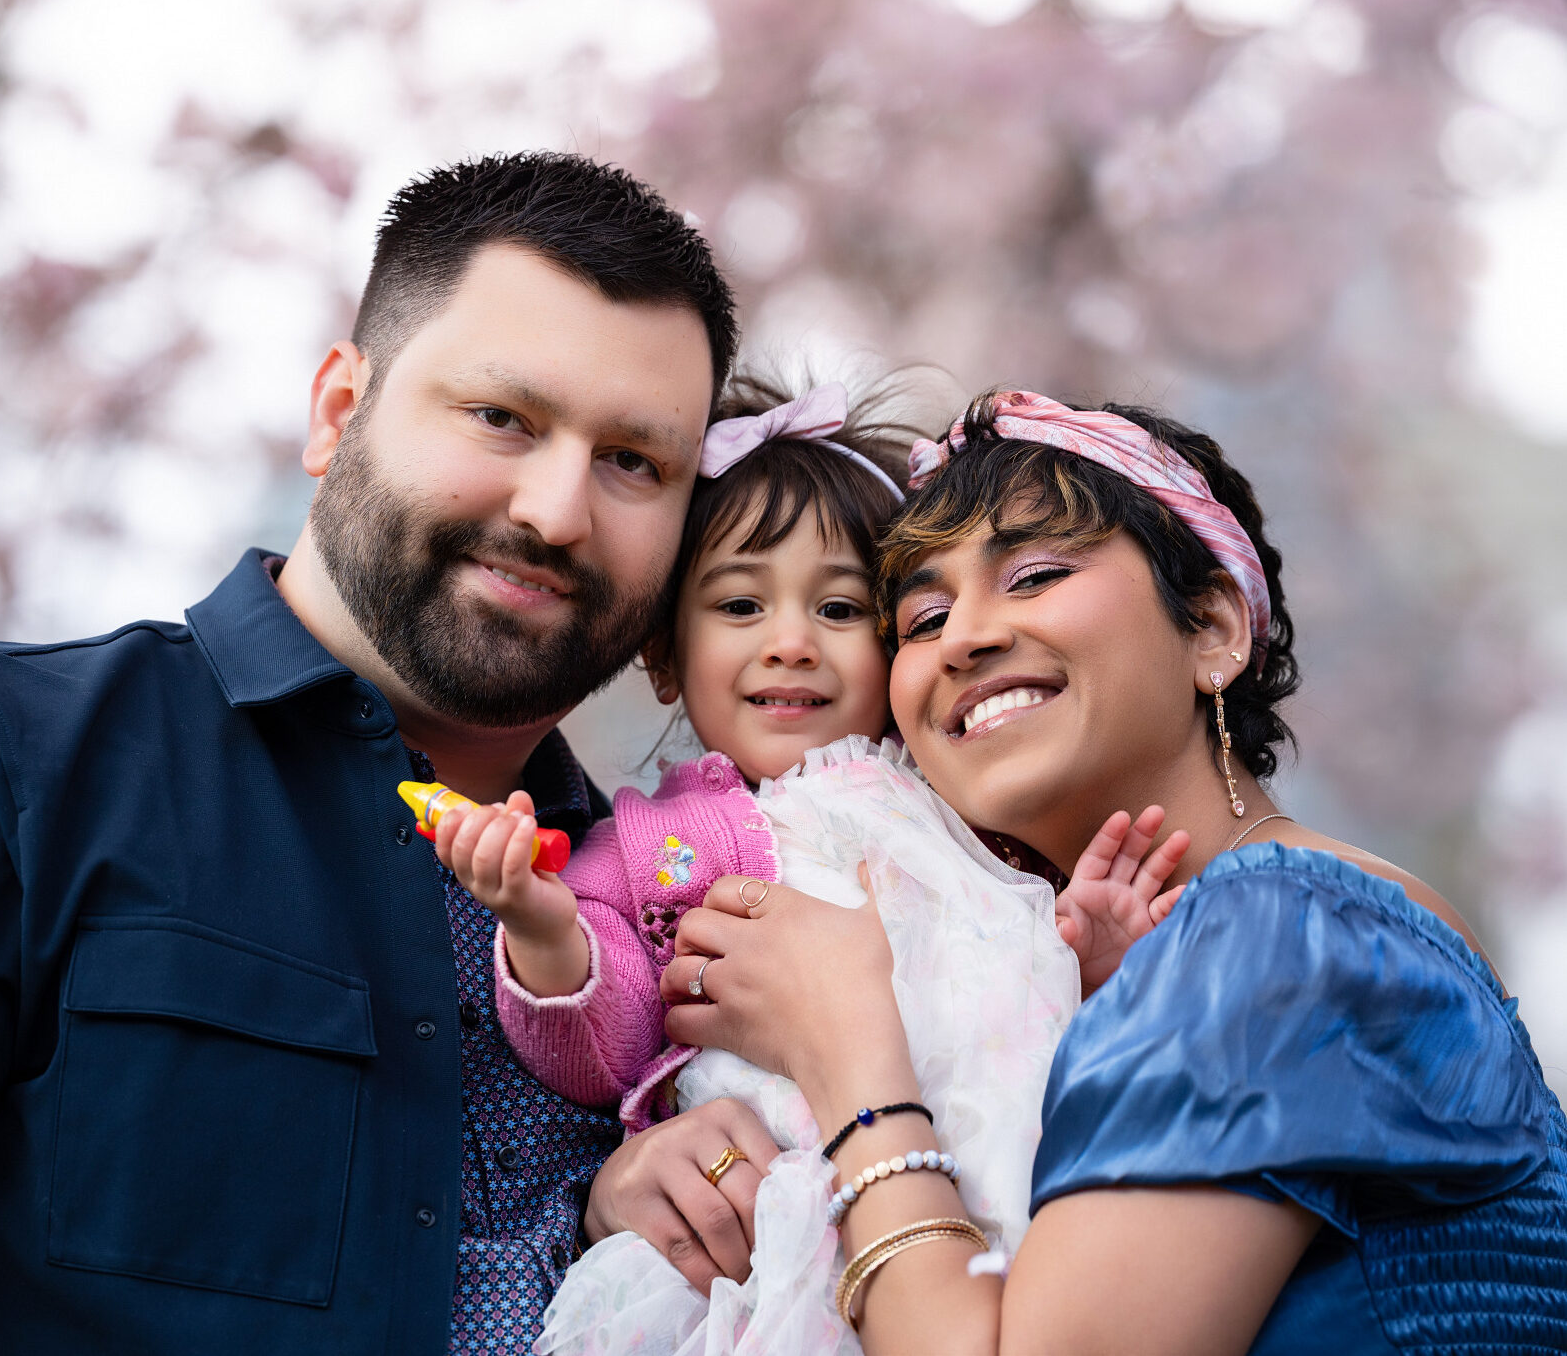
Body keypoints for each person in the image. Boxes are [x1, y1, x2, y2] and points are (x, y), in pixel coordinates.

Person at [0, 151, 743, 1354]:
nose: (556, 509)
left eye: (631, 461)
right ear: (338, 411)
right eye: (501, 416)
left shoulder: (685, 913)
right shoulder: (26, 761)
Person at [645, 390, 1567, 1355]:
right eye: (921, 620)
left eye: (1035, 574)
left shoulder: (1279, 936)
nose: (963, 638)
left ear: (1211, 628)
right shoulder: (1107, 967)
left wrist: (852, 1056)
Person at [435, 377, 1187, 1354]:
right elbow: (608, 1042)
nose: (789, 643)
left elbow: (1004, 969)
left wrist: (1089, 957)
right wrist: (543, 931)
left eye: (837, 607)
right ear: (667, 657)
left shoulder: (959, 800)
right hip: (783, 1201)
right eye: (741, 603)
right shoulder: (664, 842)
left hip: (985, 1163)